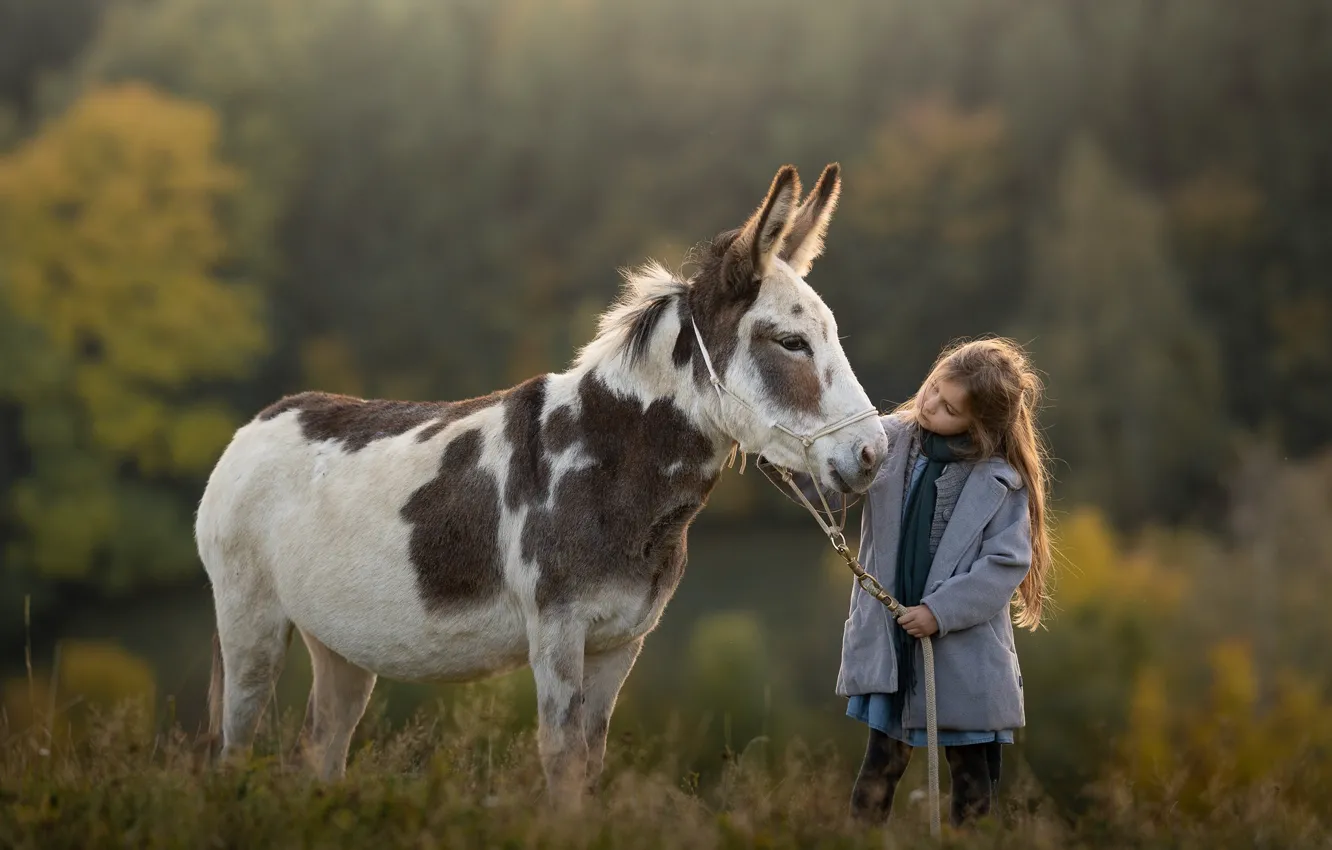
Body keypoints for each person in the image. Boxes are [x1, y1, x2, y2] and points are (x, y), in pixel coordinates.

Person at [774, 337, 1053, 827]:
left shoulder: (1001, 481)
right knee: (876, 776)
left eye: (948, 408)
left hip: (965, 658)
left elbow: (1003, 566)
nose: (929, 406)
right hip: (895, 648)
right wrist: (786, 456)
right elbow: (833, 475)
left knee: (975, 787)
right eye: (932, 390)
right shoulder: (889, 441)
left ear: (978, 425)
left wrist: (939, 613)